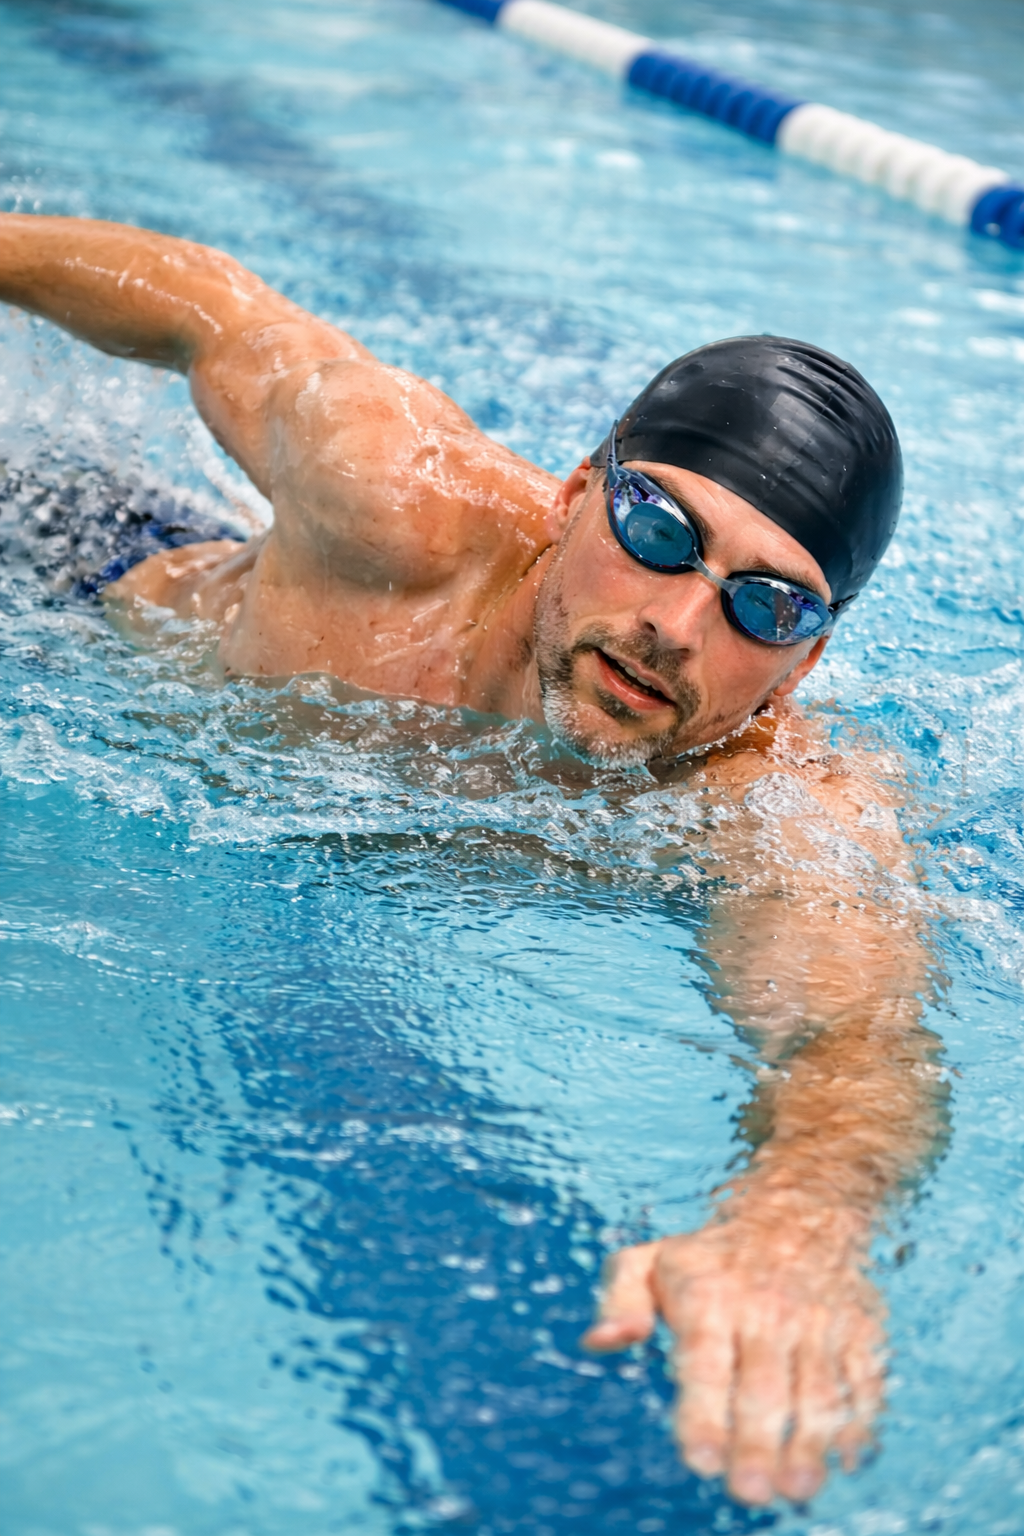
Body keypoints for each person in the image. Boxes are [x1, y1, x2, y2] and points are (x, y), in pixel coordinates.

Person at [0, 214, 947, 1508]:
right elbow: (202, 309)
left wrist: (797, 1227)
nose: (677, 623)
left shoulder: (779, 807)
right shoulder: (395, 500)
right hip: (72, 581)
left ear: (807, 661)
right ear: (572, 494)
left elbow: (852, 1038)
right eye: (661, 529)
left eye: (765, 603)